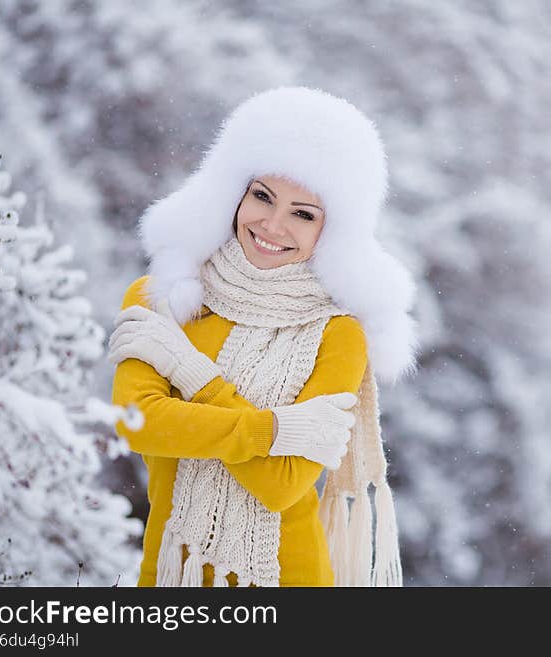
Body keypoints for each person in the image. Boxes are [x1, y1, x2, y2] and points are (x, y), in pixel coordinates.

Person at [108, 86, 419, 587]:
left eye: (303, 213)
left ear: (332, 229)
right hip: (168, 578)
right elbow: (137, 424)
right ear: (233, 191)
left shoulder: (338, 335)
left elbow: (280, 485)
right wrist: (274, 432)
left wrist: (190, 375)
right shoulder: (164, 297)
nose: (273, 225)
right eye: (262, 196)